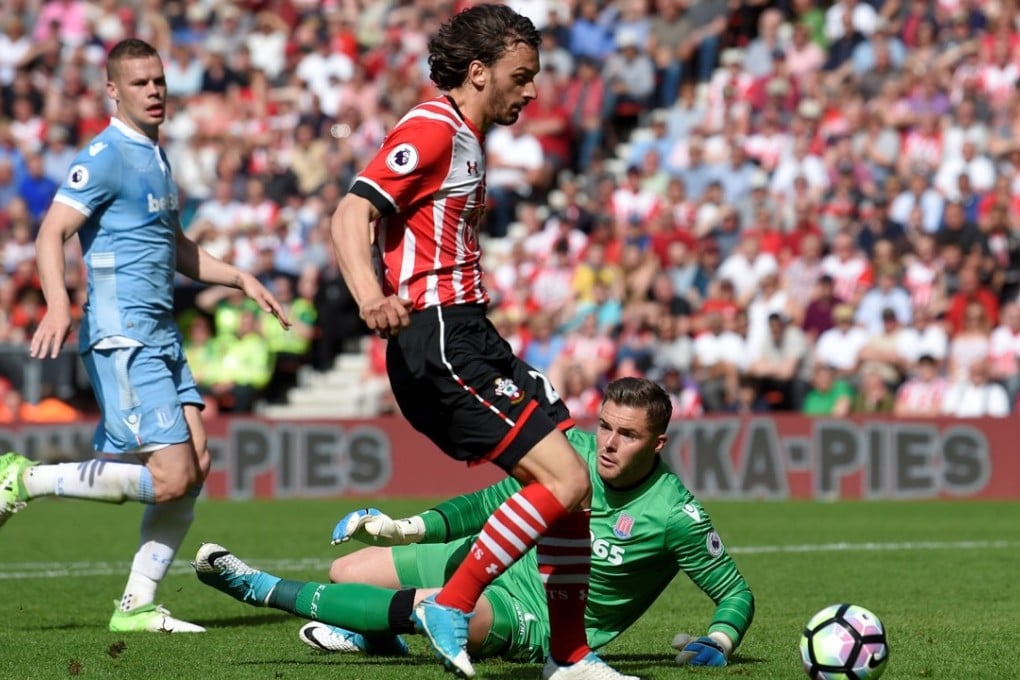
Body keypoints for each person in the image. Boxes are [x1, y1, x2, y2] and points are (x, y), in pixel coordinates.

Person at [328, 6, 623, 679]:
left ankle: (570, 656)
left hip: (471, 332)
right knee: (568, 477)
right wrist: (370, 296)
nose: (532, 92)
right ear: (479, 70)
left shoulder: (466, 137)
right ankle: (452, 604)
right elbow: (352, 213)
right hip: (438, 336)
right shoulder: (431, 127)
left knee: (569, 489)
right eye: (521, 77)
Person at [0, 38, 290, 634]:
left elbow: (176, 248)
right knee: (171, 477)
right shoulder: (104, 154)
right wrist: (57, 303)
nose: (154, 91)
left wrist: (240, 278)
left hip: (159, 332)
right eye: (139, 83)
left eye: (158, 80)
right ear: (113, 89)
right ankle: (23, 478)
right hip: (122, 335)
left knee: (199, 462)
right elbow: (51, 233)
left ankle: (135, 606)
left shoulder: (156, 157)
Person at [194, 378, 754, 669]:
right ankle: (382, 642)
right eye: (606, 426)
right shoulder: (572, 450)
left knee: (433, 607)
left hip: (531, 615)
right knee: (348, 570)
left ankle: (260, 588)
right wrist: (403, 527)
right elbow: (489, 502)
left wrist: (721, 639)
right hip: (495, 558)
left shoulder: (674, 512)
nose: (608, 443)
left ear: (657, 443)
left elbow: (734, 592)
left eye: (627, 435)